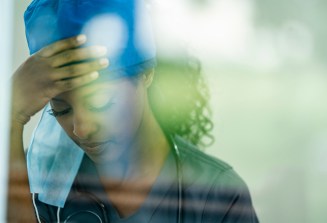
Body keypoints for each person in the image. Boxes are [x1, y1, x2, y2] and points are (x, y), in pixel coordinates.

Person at [9, 0, 259, 222]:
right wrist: (10, 117)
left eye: (100, 103)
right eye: (61, 110)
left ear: (146, 73)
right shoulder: (36, 179)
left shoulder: (219, 197)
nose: (81, 129)